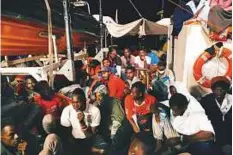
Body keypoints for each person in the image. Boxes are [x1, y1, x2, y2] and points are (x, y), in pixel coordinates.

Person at [60, 88, 105, 154]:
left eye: (78, 102)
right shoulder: (67, 110)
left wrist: (82, 123)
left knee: (104, 147)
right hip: (74, 140)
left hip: (90, 139)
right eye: (73, 102)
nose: (75, 105)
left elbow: (91, 135)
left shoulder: (95, 110)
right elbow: (66, 134)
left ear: (84, 100)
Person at [200, 76, 232, 155]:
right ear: (212, 89)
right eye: (216, 89)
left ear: (227, 89)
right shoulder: (206, 100)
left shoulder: (231, 100)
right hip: (213, 137)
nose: (219, 92)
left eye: (222, 89)